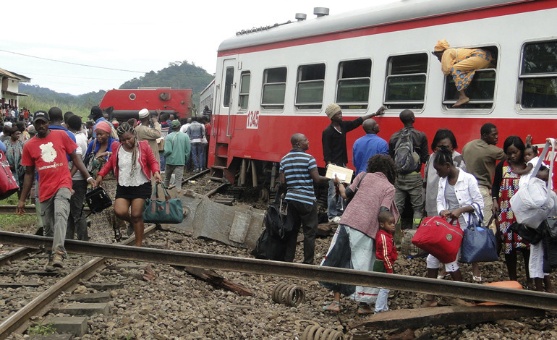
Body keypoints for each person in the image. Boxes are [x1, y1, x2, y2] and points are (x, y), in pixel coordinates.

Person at [16, 111, 96, 269]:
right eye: (38, 123)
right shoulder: (29, 145)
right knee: (48, 227)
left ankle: (58, 252)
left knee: (61, 215)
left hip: (63, 183)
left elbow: (75, 158)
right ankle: (51, 257)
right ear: (34, 124)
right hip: (45, 189)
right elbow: (29, 174)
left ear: (48, 122)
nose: (41, 126)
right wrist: (22, 199)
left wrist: (87, 177)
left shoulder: (61, 136)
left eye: (43, 122)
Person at [321, 154, 399, 314]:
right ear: (389, 172)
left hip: (347, 221)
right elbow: (383, 212)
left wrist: (339, 183)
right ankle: (363, 305)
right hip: (366, 228)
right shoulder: (389, 188)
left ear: (372, 166)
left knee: (339, 258)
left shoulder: (363, 176)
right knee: (363, 264)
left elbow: (345, 194)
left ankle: (336, 303)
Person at [422, 147, 483, 307]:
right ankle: (435, 296)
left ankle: (459, 296)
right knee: (433, 257)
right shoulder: (443, 181)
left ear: (448, 165)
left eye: (439, 169)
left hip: (465, 226)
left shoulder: (468, 179)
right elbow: (440, 202)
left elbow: (478, 204)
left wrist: (460, 210)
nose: (438, 173)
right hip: (449, 226)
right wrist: (443, 210)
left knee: (448, 258)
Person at [95, 122, 162, 247]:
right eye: (123, 140)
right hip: (124, 185)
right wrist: (100, 175)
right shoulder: (117, 147)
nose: (126, 142)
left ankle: (138, 245)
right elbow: (110, 163)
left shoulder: (143, 146)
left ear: (134, 135)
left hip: (141, 185)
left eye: (128, 138)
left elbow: (152, 161)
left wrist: (156, 172)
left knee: (137, 214)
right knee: (119, 211)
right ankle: (133, 223)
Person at [322, 103, 386, 223]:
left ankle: (340, 213)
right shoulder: (328, 131)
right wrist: (329, 165)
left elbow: (358, 121)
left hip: (342, 163)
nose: (341, 115)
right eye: (337, 114)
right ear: (331, 116)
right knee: (332, 191)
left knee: (344, 189)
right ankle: (331, 215)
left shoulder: (343, 126)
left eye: (340, 112)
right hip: (334, 165)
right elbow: (326, 150)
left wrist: (375, 114)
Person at [279, 133, 329, 264]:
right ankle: (307, 262)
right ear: (298, 144)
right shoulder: (309, 159)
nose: (308, 142)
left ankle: (288, 259)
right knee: (309, 232)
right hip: (306, 200)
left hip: (290, 200)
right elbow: (317, 179)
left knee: (292, 230)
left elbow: (282, 182)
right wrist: (331, 178)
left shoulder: (284, 159)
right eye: (305, 140)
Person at [492, 136, 532, 287]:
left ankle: (530, 279)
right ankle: (513, 279)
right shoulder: (502, 165)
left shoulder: (528, 166)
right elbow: (495, 185)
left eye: (515, 152)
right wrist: (495, 200)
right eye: (509, 153)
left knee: (526, 245)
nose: (512, 156)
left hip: (524, 212)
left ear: (521, 151)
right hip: (506, 212)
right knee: (509, 246)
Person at [388, 109, 429, 229]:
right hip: (414, 177)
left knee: (397, 208)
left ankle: (397, 236)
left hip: (399, 177)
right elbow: (424, 158)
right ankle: (415, 233)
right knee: (417, 208)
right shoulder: (420, 135)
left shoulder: (394, 137)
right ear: (413, 119)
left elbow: (391, 158)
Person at [84, 121, 122, 240]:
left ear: (108, 134)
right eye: (97, 134)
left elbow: (119, 158)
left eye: (102, 134)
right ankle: (104, 237)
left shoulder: (115, 144)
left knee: (113, 207)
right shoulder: (93, 144)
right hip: (97, 181)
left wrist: (108, 154)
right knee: (100, 208)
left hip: (112, 181)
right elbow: (86, 160)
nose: (99, 137)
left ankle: (117, 228)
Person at [462, 123, 506, 225]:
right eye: (493, 134)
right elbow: (510, 155)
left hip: (467, 189)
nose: (497, 137)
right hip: (482, 190)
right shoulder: (490, 150)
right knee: (488, 223)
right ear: (485, 135)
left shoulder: (468, 145)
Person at [432, 39, 493, 107]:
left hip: (479, 57)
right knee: (464, 71)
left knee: (455, 69)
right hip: (486, 57)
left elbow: (446, 70)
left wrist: (447, 64)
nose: (438, 58)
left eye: (438, 56)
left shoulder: (447, 52)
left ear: (441, 53)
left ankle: (462, 97)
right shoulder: (454, 52)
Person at [66, 115, 90, 241]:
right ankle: (69, 238)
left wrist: (68, 176)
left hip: (75, 178)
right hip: (79, 178)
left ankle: (83, 239)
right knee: (71, 211)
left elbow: (77, 160)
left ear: (68, 125)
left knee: (76, 212)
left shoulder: (73, 138)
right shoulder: (83, 137)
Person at [374, 210, 398, 314]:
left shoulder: (387, 235)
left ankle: (383, 307)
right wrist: (389, 268)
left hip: (385, 263)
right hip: (382, 264)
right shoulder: (383, 237)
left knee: (385, 287)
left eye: (393, 223)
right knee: (384, 287)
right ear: (382, 224)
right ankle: (379, 309)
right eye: (390, 223)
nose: (393, 225)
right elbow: (385, 255)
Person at [163, 120, 191, 193]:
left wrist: (164, 155)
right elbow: (188, 151)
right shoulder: (185, 136)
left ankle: (165, 194)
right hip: (180, 161)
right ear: (180, 126)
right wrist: (185, 159)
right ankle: (178, 196)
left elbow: (168, 150)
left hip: (169, 161)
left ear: (171, 127)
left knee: (167, 179)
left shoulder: (168, 137)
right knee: (178, 181)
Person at [4, 127, 25, 197]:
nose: (18, 135)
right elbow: (3, 156)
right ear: (12, 134)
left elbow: (24, 155)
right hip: (9, 170)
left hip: (20, 169)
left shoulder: (21, 144)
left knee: (20, 186)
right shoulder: (6, 144)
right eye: (17, 134)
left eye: (19, 134)